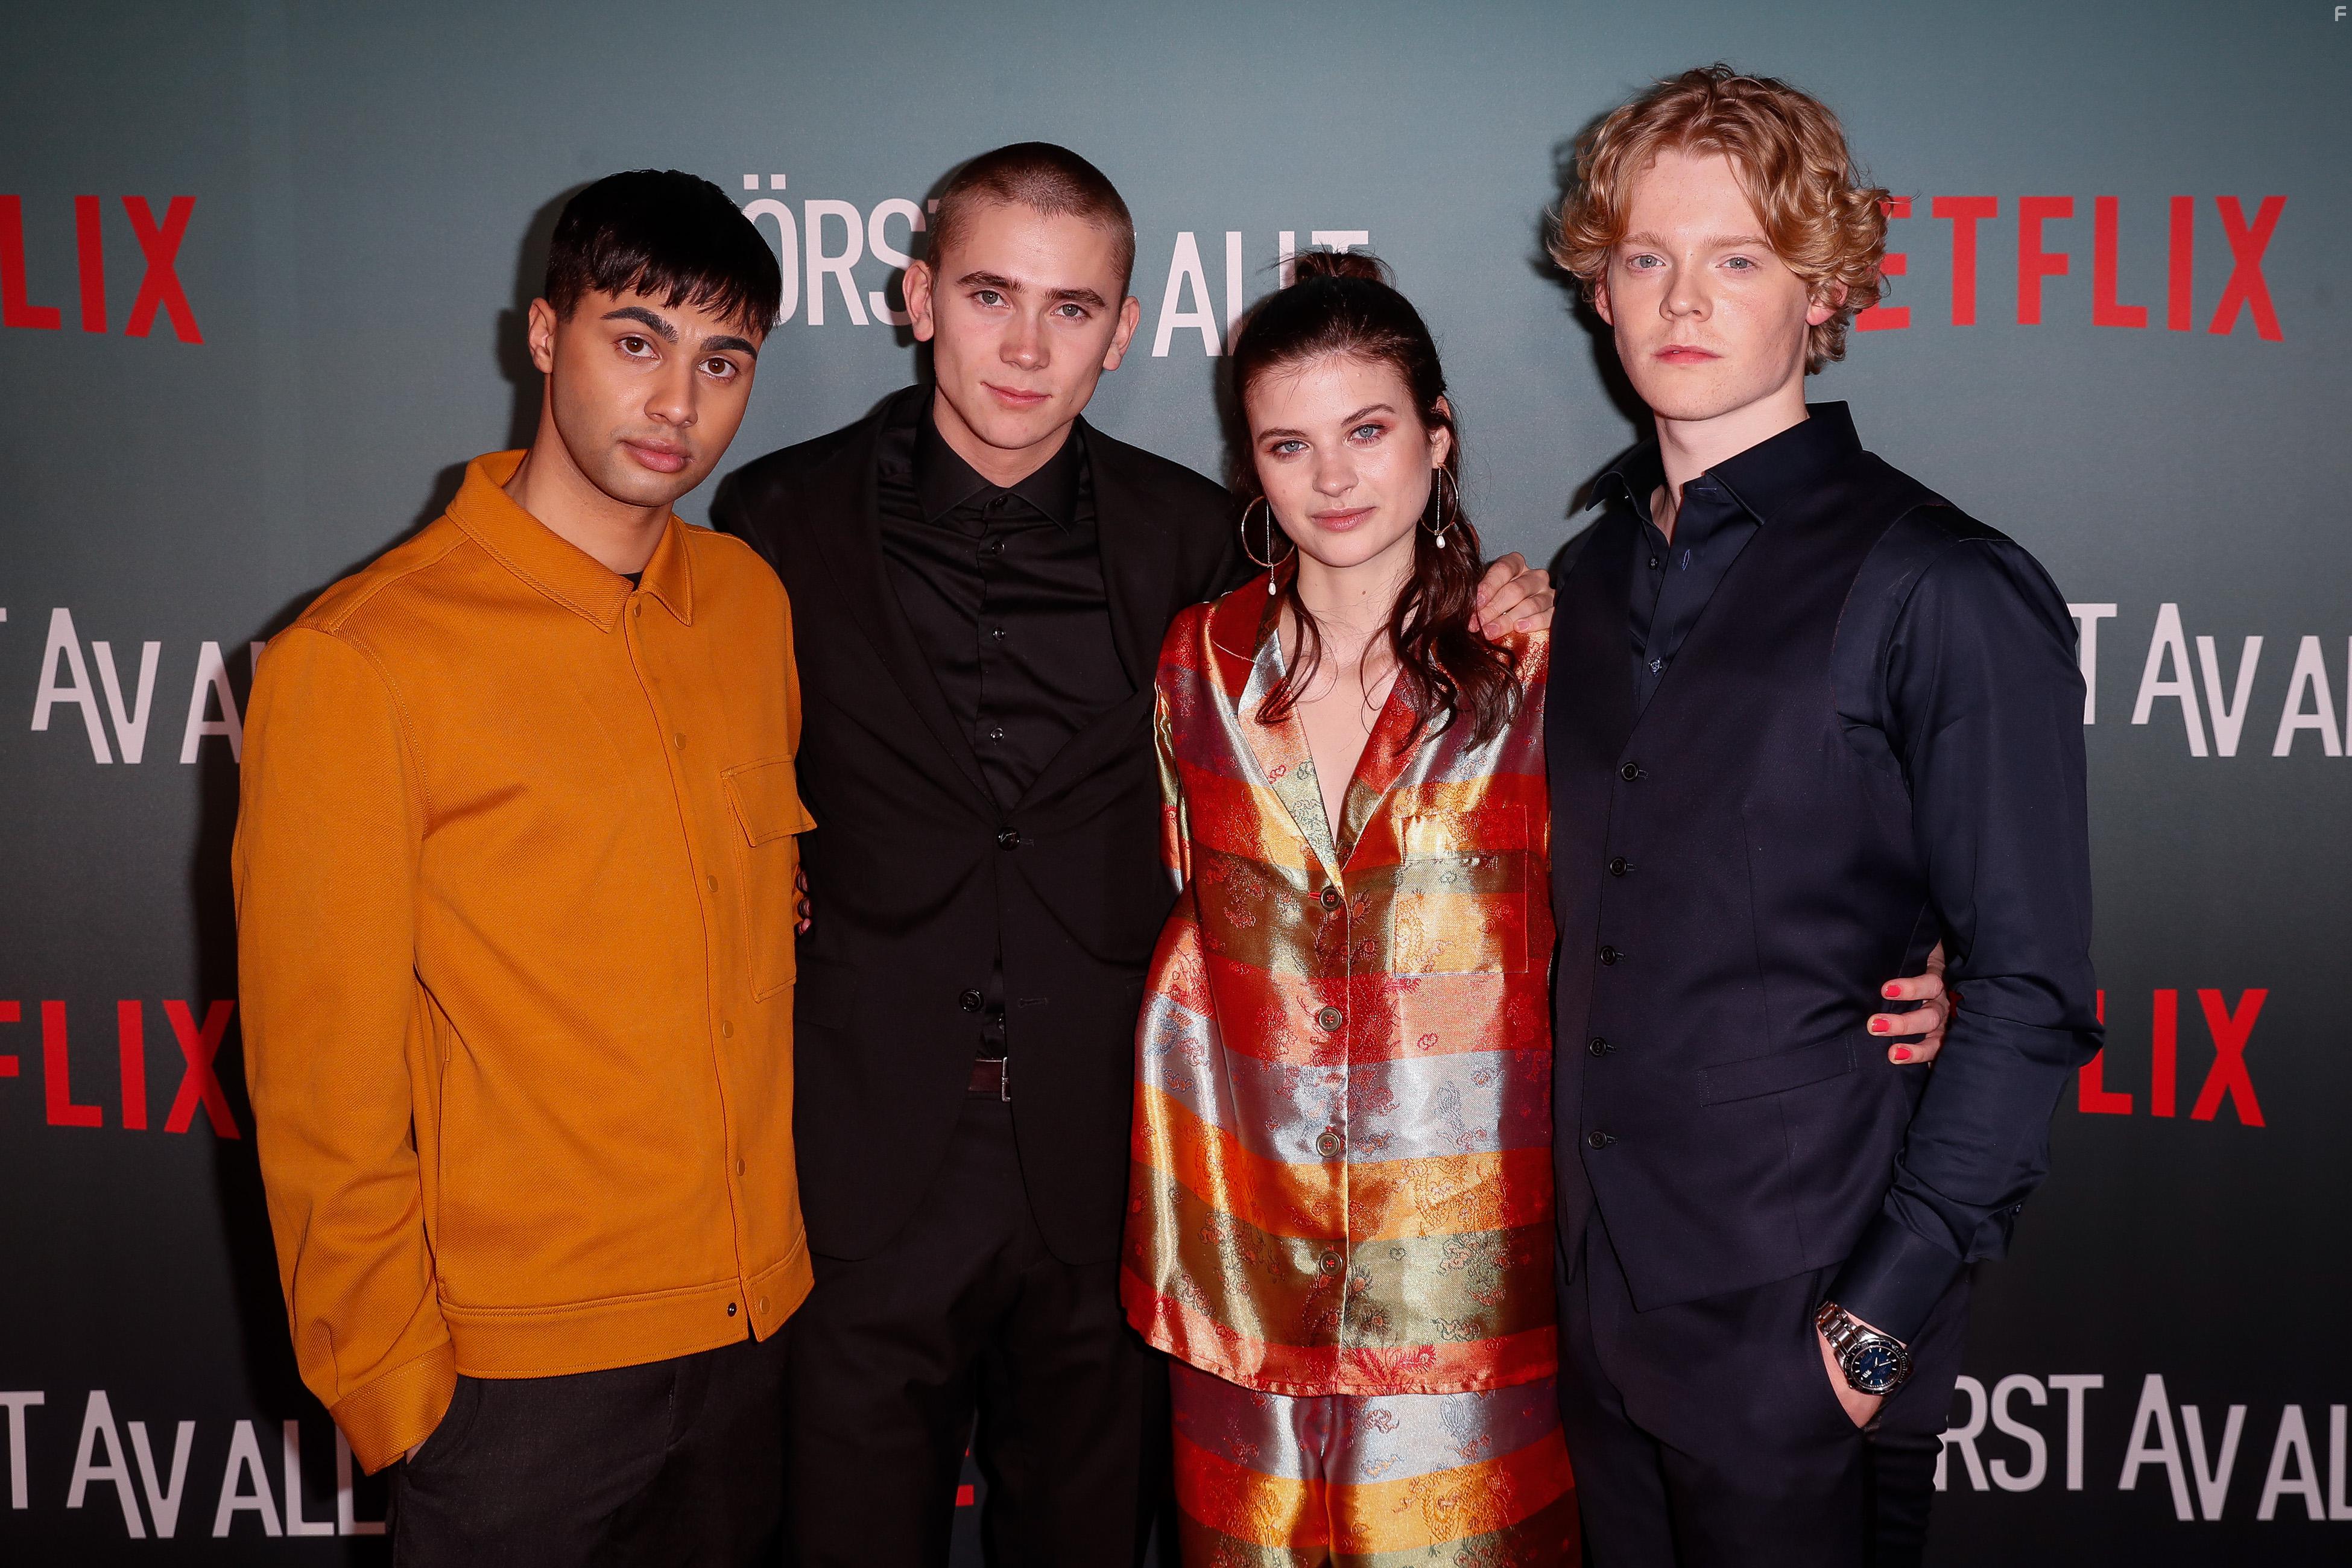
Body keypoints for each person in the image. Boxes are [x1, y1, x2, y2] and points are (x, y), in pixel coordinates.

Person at [710, 144, 1554, 1567]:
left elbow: (1370, 649)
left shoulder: (1195, 549)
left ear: (1125, 325)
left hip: (1118, 1172)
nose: (1028, 345)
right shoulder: (772, 520)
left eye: (1074, 308)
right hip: (855, 1158)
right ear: (918, 296)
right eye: (990, 295)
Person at [1541, 66, 2103, 1567]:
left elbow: (2033, 991)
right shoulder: (1583, 587)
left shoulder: (1944, 584)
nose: (1683, 298)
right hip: (1588, 1345)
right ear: (1598, 286)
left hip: (1800, 1345)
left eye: (1738, 259)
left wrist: (1870, 1334)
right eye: (1647, 256)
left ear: (1823, 289)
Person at [235, 171, 807, 1564]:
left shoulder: (745, 603)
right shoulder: (361, 659)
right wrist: (402, 1400)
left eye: (721, 360)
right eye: (636, 340)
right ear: (544, 335)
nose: (678, 402)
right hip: (512, 1394)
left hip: (754, 1347)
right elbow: (321, 1091)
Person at [1125, 250, 1577, 1565]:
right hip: (1238, 1263)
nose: (1331, 478)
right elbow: (1184, 903)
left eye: (1368, 431)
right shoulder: (1196, 663)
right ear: (1251, 463)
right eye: (1288, 442)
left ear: (1437, 439)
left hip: (1469, 1275)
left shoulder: (1539, 662)